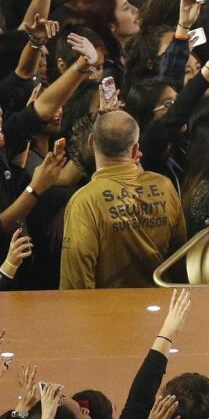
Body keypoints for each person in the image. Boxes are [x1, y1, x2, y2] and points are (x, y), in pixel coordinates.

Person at [60, 110, 186, 289]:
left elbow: (75, 283)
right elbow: (180, 259)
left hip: (109, 313)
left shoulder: (85, 201)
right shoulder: (164, 186)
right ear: (135, 149)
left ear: (90, 142)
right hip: (163, 309)